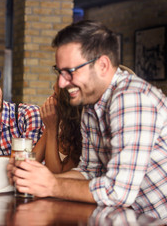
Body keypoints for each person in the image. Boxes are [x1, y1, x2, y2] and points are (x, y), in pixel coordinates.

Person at [9, 20, 167, 220]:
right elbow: (90, 171)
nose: (61, 82)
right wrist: (33, 178)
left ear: (102, 65)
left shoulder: (132, 98)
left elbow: (118, 192)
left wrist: (51, 185)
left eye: (70, 72)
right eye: (60, 72)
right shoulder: (91, 106)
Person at [33, 82, 82, 173]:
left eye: (55, 95)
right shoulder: (57, 122)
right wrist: (50, 127)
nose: (50, 98)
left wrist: (52, 129)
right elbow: (33, 160)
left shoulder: (81, 131)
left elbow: (56, 174)